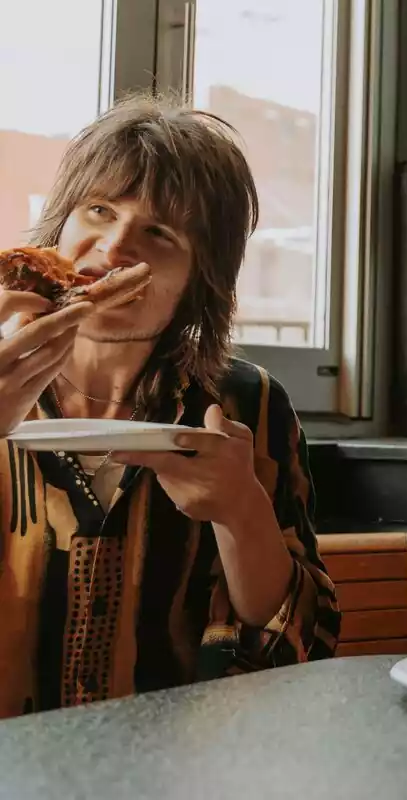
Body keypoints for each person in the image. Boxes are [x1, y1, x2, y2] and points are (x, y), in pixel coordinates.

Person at [0, 95, 340, 718]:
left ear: (199, 279)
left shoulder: (248, 404)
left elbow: (301, 654)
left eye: (160, 233)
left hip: (177, 771)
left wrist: (242, 514)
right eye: (98, 209)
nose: (116, 246)